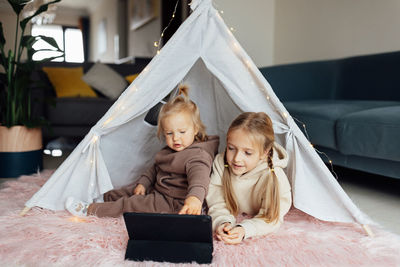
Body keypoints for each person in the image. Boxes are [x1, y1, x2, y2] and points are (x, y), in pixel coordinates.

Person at [65, 86, 219, 217]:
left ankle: (91, 210)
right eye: (169, 133)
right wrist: (143, 183)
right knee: (130, 190)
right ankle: (103, 198)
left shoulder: (198, 156)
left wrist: (194, 199)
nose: (176, 138)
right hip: (159, 191)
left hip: (173, 203)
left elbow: (200, 180)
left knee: (131, 204)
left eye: (182, 132)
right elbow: (155, 169)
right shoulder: (171, 150)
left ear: (195, 129)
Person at [206, 112, 292, 244]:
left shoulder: (274, 176)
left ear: (265, 152)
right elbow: (216, 202)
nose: (236, 158)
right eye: (231, 148)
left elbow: (271, 218)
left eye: (247, 153)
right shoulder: (221, 163)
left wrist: (244, 229)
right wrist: (222, 222)